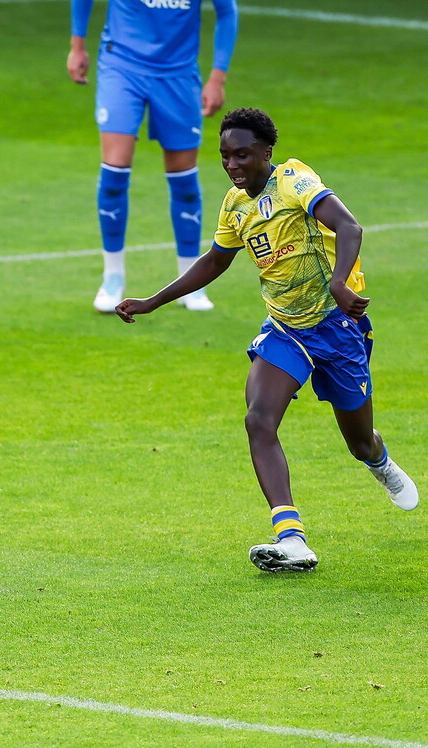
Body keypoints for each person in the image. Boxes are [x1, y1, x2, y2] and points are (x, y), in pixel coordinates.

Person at [116, 108, 419, 572]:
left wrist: (340, 284)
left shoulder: (294, 181)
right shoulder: (235, 206)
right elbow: (216, 261)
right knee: (258, 419)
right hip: (285, 329)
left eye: (241, 154)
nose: (232, 165)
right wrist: (153, 301)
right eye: (224, 156)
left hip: (338, 330)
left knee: (358, 442)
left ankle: (378, 460)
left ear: (266, 152)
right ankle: (292, 538)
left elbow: (350, 227)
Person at [68, 0, 238, 313]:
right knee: (115, 172)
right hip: (121, 66)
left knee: (184, 177)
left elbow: (227, 11)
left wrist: (218, 77)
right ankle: (112, 276)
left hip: (178, 73)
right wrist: (77, 45)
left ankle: (191, 283)